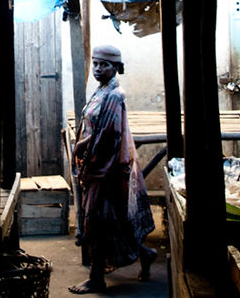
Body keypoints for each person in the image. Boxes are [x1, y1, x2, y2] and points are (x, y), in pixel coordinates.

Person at [69, 45, 156, 294]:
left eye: (104, 65)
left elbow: (110, 134)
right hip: (98, 164)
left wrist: (83, 148)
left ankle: (96, 278)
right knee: (112, 222)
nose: (98, 69)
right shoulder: (101, 90)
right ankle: (145, 253)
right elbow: (96, 127)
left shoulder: (115, 95)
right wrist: (84, 145)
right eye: (96, 63)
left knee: (96, 223)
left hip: (107, 169)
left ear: (116, 67)